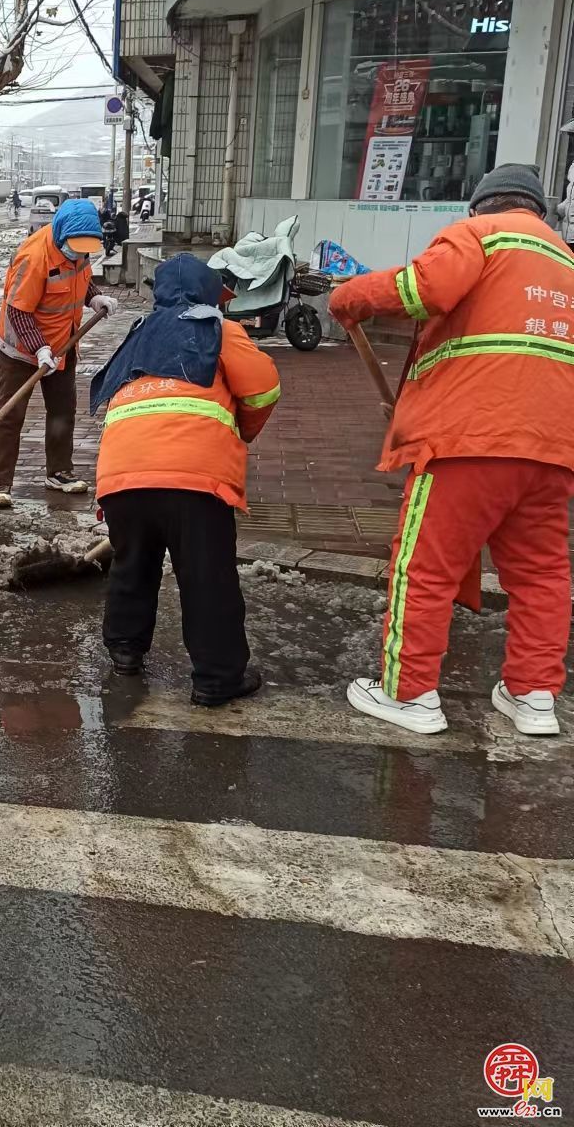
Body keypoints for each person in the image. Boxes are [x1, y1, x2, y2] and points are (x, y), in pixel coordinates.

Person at [329, 163, 574, 738]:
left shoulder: (480, 235)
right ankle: (532, 694)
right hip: (552, 446)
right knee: (541, 574)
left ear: (480, 205)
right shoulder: (566, 260)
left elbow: (423, 287)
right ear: (539, 208)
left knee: (424, 568)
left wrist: (353, 295)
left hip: (471, 437)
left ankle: (409, 693)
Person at [91, 253, 280, 703]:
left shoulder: (138, 335)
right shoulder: (220, 329)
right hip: (194, 481)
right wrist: (240, 432)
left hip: (122, 477)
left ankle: (125, 652)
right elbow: (263, 387)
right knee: (206, 577)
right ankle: (217, 679)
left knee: (131, 567)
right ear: (210, 294)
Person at [0, 197, 115, 509]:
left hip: (63, 344)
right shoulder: (33, 257)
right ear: (60, 235)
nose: (80, 252)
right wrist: (39, 348)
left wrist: (95, 299)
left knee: (62, 411)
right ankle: (1, 482)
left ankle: (58, 472)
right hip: (21, 349)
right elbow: (19, 311)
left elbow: (78, 282)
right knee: (11, 414)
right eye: (75, 246)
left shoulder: (79, 249)